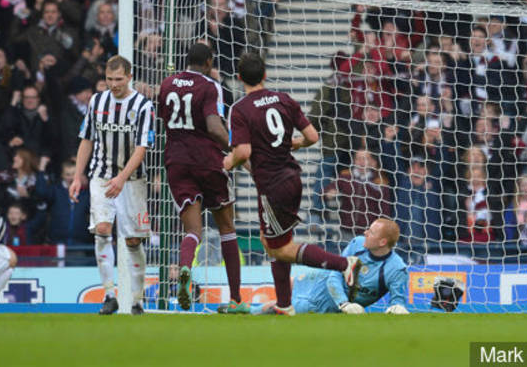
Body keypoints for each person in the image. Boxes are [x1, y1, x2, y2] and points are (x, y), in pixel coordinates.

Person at [225, 52, 362, 316]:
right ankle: (285, 304)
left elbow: (242, 152)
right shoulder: (283, 99)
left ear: (239, 77)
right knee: (272, 240)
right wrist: (296, 143)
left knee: (280, 248)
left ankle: (344, 263)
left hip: (271, 184)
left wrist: (227, 163)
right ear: (265, 74)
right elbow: (312, 136)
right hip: (291, 176)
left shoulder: (240, 109)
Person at [157, 43, 247, 314]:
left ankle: (185, 269)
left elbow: (164, 120)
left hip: (176, 162)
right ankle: (236, 299)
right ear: (209, 62)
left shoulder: (167, 84)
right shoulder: (210, 86)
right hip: (207, 161)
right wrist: (236, 148)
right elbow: (214, 127)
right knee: (227, 227)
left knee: (192, 231)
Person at [69, 56, 154, 315]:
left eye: (118, 79)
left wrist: (122, 177)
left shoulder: (143, 105)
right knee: (102, 229)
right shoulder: (97, 101)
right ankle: (109, 295)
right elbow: (86, 139)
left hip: (132, 178)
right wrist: (77, 176)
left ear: (129, 77)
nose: (114, 84)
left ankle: (137, 300)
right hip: (101, 175)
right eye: (109, 79)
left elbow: (141, 148)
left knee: (133, 240)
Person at [257, 219, 410, 315]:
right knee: (288, 285)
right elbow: (336, 273)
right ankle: (245, 307)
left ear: (382, 242)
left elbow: (398, 303)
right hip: (320, 281)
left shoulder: (397, 269)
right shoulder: (357, 244)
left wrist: (397, 307)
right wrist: (344, 303)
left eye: (371, 232)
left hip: (323, 305)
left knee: (274, 310)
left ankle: (249, 309)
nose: (365, 232)